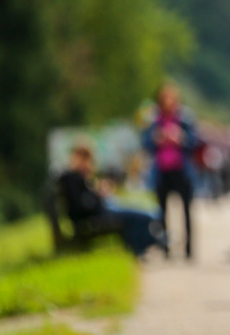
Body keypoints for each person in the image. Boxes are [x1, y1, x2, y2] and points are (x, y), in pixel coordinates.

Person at [57, 141, 167, 257]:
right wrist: (98, 195)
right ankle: (152, 242)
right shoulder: (70, 178)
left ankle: (148, 243)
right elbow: (81, 206)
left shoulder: (75, 177)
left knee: (144, 214)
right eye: (85, 158)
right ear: (76, 157)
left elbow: (84, 199)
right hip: (96, 215)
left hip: (102, 210)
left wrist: (97, 192)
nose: (88, 163)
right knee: (144, 217)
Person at [142, 82, 199, 259]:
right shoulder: (153, 119)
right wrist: (156, 138)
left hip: (181, 170)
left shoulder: (185, 118)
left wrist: (180, 137)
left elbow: (196, 142)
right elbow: (145, 144)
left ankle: (189, 249)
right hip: (162, 171)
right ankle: (165, 248)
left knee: (187, 211)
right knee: (162, 212)